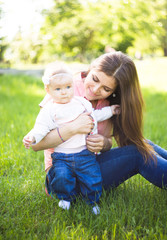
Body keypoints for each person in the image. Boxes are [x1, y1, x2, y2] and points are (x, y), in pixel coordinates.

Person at [24, 51, 167, 200]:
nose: (96, 89)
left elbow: (108, 143)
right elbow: (36, 144)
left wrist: (104, 143)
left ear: (115, 92)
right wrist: (73, 128)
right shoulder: (63, 86)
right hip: (64, 177)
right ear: (90, 69)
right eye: (95, 78)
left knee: (143, 144)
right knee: (138, 154)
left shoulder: (108, 104)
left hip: (89, 166)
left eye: (106, 89)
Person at [23, 62, 120, 214]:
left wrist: (111, 110)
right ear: (48, 90)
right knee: (62, 177)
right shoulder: (49, 110)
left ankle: (93, 202)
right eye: (58, 89)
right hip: (62, 156)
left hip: (84, 153)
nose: (64, 92)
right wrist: (32, 137)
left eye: (68, 87)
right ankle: (65, 198)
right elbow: (41, 128)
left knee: (92, 177)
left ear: (73, 85)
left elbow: (96, 116)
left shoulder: (81, 103)